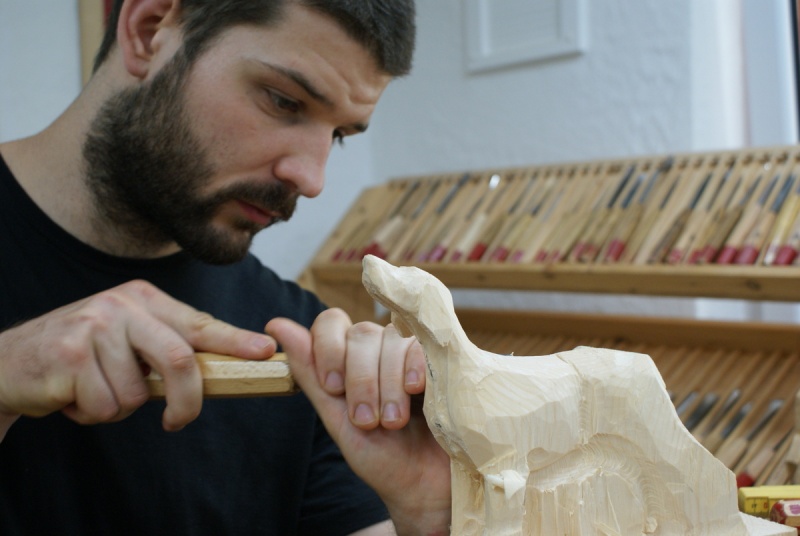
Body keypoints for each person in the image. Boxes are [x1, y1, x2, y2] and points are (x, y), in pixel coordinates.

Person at [0, 0, 451, 534]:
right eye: (284, 101)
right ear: (148, 31)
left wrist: (426, 514)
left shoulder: (297, 343)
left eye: (337, 135)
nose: (312, 179)